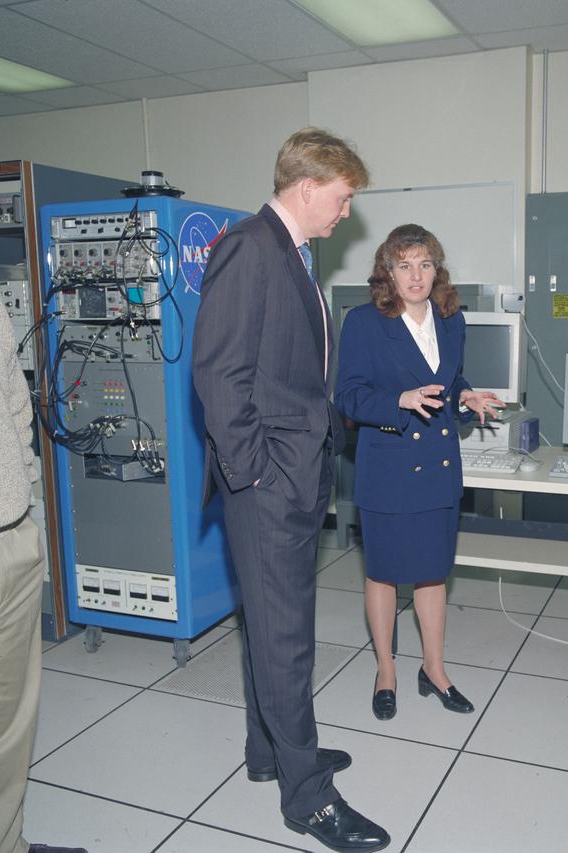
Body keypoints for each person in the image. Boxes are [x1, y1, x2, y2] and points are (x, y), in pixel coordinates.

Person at [191, 128, 389, 853]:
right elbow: (219, 375)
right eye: (342, 198)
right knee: (285, 637)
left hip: (291, 473)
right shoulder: (250, 248)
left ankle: (269, 750)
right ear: (308, 188)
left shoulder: (291, 252)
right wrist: (256, 476)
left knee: (272, 625)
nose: (346, 212)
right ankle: (307, 798)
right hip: (269, 482)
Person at [335, 224, 504, 721]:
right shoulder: (364, 322)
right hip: (388, 466)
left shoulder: (452, 320)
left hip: (437, 467)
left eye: (425, 264)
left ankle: (434, 669)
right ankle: (386, 671)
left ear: (437, 269)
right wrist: (399, 400)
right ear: (387, 271)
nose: (416, 276)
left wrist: (465, 396)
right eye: (404, 265)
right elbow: (348, 396)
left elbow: (450, 381)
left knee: (433, 572)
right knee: (384, 572)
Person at [0, 159, 87, 853]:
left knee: (3, 725)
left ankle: (0, 843)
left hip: (11, 542)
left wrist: (30, 519)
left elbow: (17, 411)